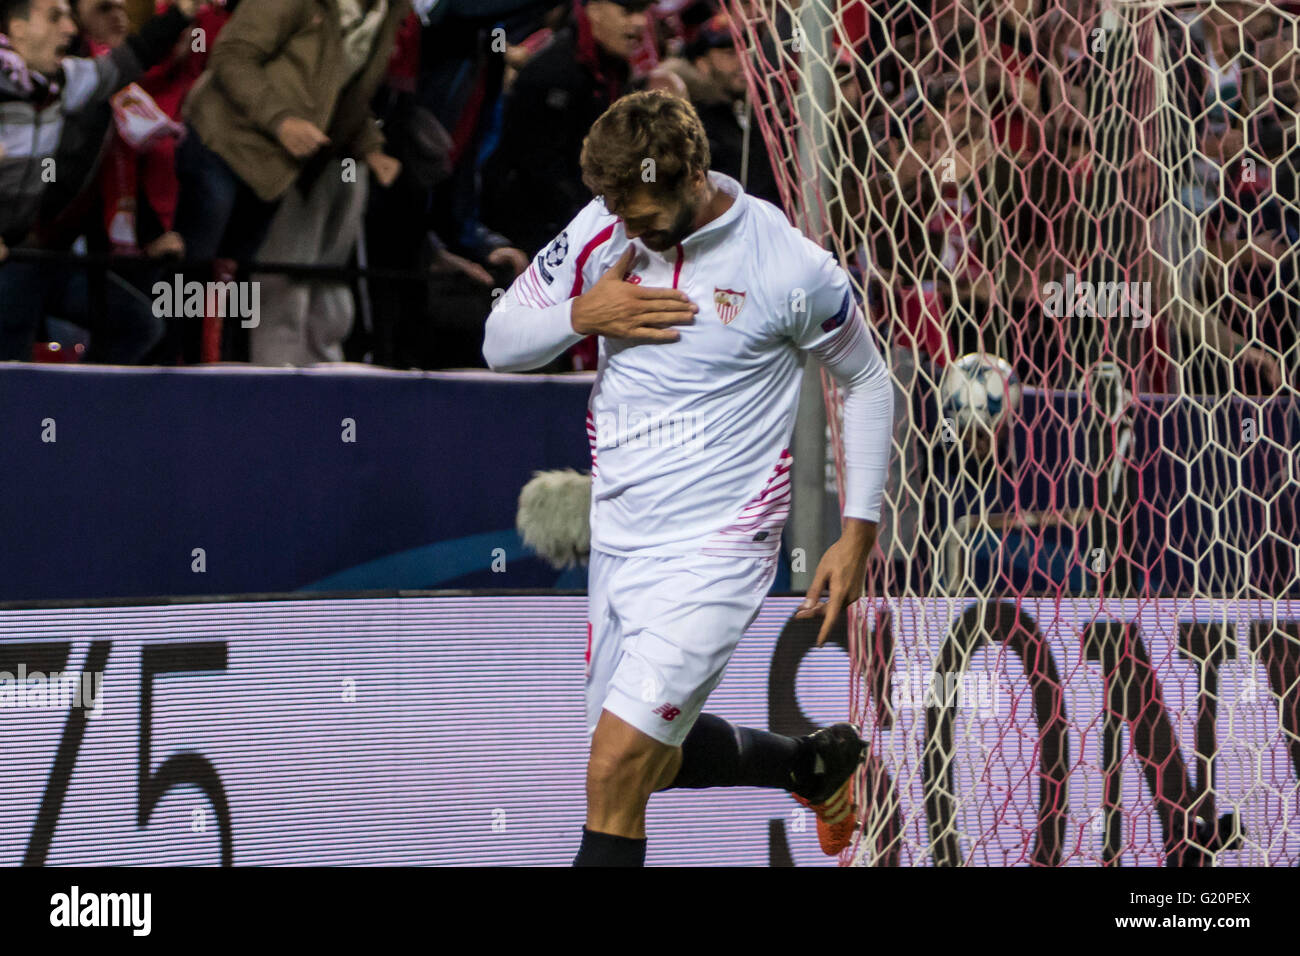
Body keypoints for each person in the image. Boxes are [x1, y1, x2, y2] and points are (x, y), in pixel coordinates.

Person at [483, 91, 895, 865]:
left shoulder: (786, 266)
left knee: (615, 769)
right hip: (621, 542)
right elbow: (499, 341)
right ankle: (810, 766)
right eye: (614, 210)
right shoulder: (603, 226)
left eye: (638, 213)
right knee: (645, 761)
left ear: (694, 176)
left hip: (719, 550)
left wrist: (858, 531)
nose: (624, 227)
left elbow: (867, 380)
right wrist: (583, 314)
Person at [0, 0, 199, 362]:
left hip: (36, 253)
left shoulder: (64, 81)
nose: (70, 28)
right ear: (18, 29)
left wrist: (182, 13)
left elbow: (130, 60)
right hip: (16, 263)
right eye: (55, 17)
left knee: (138, 325)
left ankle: (74, 398)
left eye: (68, 17)